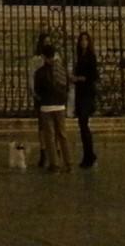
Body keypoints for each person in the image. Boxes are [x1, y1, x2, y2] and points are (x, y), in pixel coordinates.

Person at [33, 43, 71, 172]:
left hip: (46, 106)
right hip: (60, 106)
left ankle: (54, 164)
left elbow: (37, 90)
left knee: (49, 136)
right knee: (62, 135)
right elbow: (66, 86)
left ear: (43, 56)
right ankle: (68, 162)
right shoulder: (61, 69)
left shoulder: (39, 72)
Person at [71, 32, 99, 168]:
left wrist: (79, 78)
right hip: (80, 93)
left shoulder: (91, 57)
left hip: (88, 93)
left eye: (86, 40)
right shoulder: (79, 57)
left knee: (84, 123)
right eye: (81, 40)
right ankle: (88, 155)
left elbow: (94, 75)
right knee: (82, 125)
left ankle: (90, 155)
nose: (83, 42)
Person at [28, 32, 55, 167]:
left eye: (49, 42)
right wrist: (34, 92)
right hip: (40, 94)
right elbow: (31, 75)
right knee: (42, 126)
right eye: (45, 42)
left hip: (53, 95)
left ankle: (54, 150)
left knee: (53, 124)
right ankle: (43, 151)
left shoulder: (56, 57)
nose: (47, 44)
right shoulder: (35, 59)